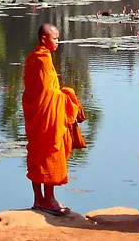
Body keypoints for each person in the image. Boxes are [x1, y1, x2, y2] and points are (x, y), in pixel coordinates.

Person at [23, 23, 84, 217]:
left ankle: (38, 199)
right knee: (50, 150)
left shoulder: (33, 57)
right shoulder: (42, 60)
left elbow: (34, 92)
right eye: (55, 38)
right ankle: (48, 200)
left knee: (37, 152)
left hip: (37, 114)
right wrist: (68, 95)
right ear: (44, 39)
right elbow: (49, 93)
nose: (58, 42)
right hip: (46, 116)